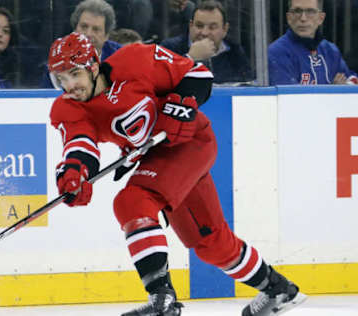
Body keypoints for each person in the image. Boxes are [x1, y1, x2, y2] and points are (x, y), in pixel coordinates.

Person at [47, 32, 307, 316]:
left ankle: (162, 299)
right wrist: (74, 173)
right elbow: (80, 145)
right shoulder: (68, 107)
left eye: (75, 74)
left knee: (132, 201)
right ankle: (279, 290)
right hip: (158, 157)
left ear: (94, 66)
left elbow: (197, 74)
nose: (70, 85)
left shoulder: (135, 60)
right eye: (61, 78)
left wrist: (180, 104)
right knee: (210, 243)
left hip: (191, 141)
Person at [160, 0, 254, 84]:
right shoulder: (169, 48)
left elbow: (248, 85)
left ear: (225, 29)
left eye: (212, 27)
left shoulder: (234, 52)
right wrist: (190, 58)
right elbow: (159, 83)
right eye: (199, 26)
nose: (204, 33)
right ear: (191, 26)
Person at [268, 0, 358, 85]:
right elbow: (287, 98)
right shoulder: (277, 52)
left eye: (310, 11)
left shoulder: (331, 51)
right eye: (297, 11)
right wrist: (333, 91)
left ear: (321, 18)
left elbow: (352, 79)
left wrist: (345, 87)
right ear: (288, 17)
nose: (303, 18)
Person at [39, 0, 121, 88]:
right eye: (84, 26)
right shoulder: (57, 61)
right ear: (75, 30)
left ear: (106, 36)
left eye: (96, 29)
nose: (88, 33)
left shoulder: (122, 58)